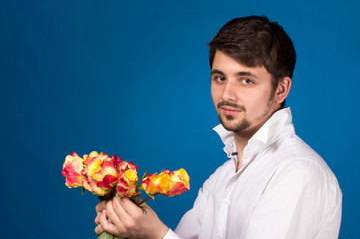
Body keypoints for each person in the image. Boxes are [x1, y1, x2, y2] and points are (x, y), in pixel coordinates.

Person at [94, 15, 342, 239]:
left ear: (281, 89)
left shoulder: (298, 172)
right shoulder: (222, 178)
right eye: (220, 78)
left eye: (246, 80)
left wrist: (157, 234)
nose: (227, 94)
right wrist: (129, 223)